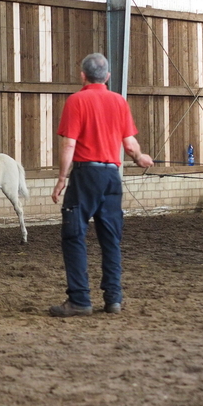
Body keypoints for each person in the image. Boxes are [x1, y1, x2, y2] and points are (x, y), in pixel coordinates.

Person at [49, 53, 154, 318]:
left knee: (74, 236)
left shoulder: (76, 101)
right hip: (111, 177)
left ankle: (80, 300)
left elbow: (69, 143)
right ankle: (113, 299)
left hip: (85, 176)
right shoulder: (119, 101)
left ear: (82, 75)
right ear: (107, 76)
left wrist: (63, 177)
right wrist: (140, 157)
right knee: (111, 239)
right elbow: (130, 144)